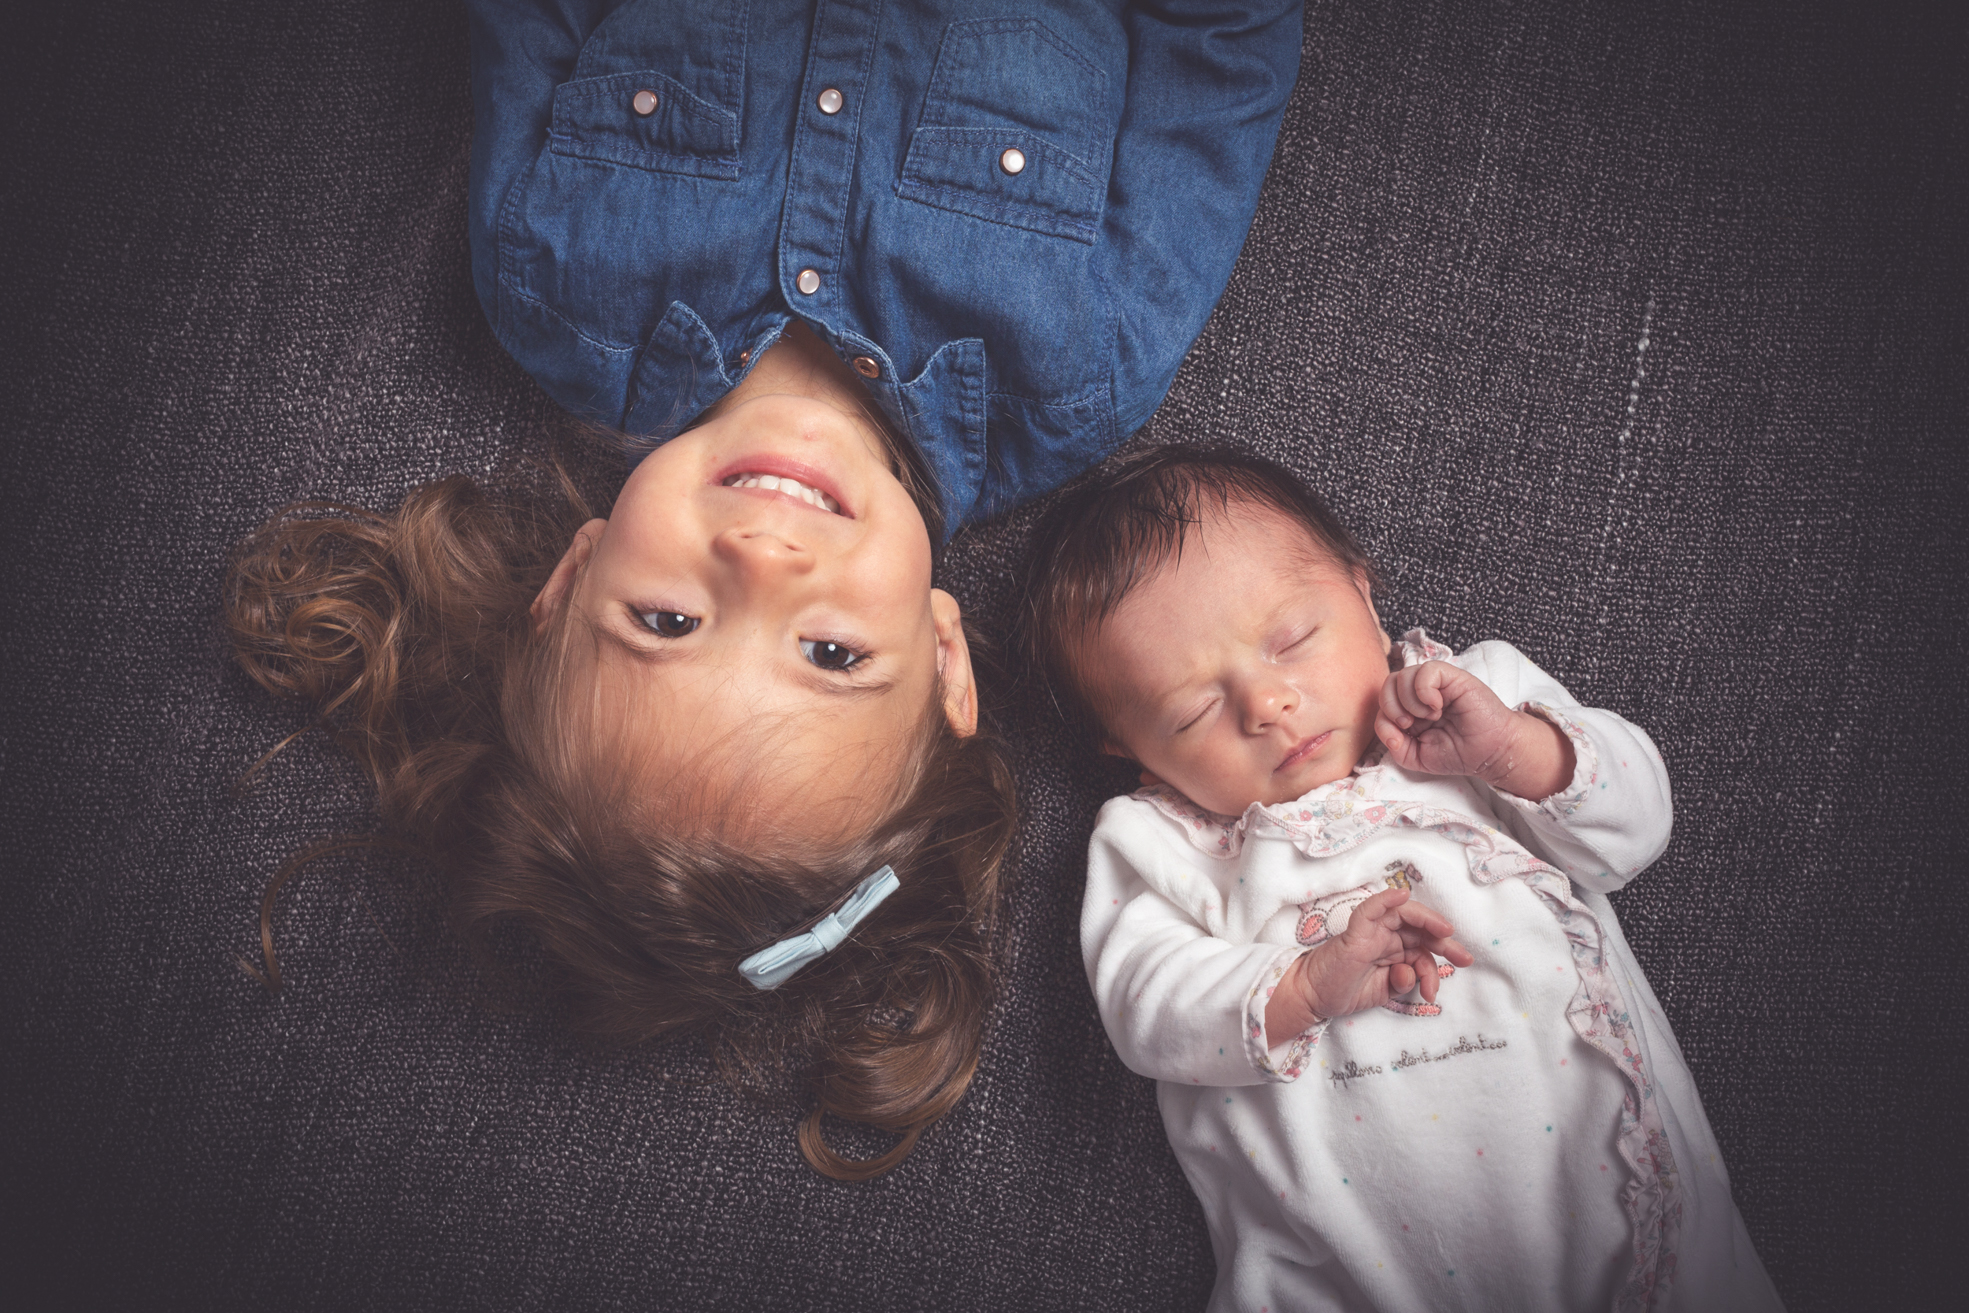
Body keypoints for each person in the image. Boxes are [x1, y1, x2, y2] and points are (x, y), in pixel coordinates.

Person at [223, 1, 1304, 1178]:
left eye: (667, 621)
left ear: (571, 573)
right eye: (832, 654)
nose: (762, 559)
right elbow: (1214, 64)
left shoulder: (548, 287)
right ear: (948, 654)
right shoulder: (1076, 373)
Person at [1022, 447, 1783, 1310]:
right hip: (1342, 1274)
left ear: (1362, 589)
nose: (1265, 705)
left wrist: (1513, 752)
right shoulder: (1158, 841)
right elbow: (1145, 1012)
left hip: (1647, 1234)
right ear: (1125, 747)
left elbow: (1633, 834)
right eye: (1193, 709)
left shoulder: (1474, 699)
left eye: (1290, 641)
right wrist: (1304, 983)